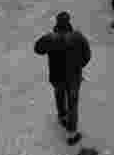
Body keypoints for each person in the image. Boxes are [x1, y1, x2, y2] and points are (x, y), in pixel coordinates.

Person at [34, 12, 92, 145]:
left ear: (57, 22)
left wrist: (48, 39)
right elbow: (87, 55)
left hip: (56, 75)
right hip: (73, 77)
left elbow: (38, 49)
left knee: (59, 94)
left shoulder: (51, 38)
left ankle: (62, 116)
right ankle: (72, 134)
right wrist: (79, 66)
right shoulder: (78, 37)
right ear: (69, 22)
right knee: (72, 104)